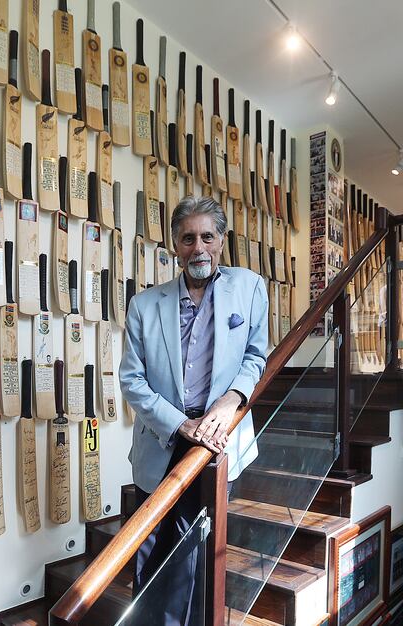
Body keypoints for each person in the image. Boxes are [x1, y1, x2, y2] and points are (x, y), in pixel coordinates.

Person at [119, 196, 268, 625]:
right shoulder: (144, 306)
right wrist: (181, 424)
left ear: (222, 240)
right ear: (175, 245)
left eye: (207, 236)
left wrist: (230, 401)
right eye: (188, 238)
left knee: (197, 554)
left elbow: (256, 357)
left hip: (217, 443)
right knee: (148, 551)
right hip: (163, 441)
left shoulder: (249, 287)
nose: (198, 247)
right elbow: (132, 380)